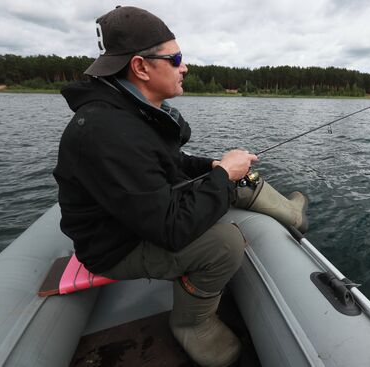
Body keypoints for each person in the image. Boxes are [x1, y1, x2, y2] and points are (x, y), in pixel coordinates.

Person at [53, 6, 307, 367]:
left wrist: (215, 167)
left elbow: (168, 162)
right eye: (176, 58)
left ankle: (292, 214)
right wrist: (221, 177)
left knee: (238, 179)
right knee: (225, 244)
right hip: (114, 246)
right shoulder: (107, 132)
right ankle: (192, 322)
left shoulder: (131, 110)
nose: (184, 66)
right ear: (141, 67)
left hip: (137, 217)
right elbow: (170, 230)